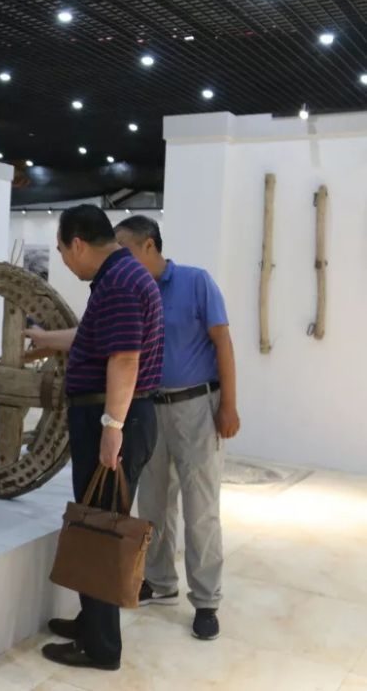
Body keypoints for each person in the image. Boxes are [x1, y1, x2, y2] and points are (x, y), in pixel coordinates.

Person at [27, 204, 163, 671]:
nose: (65, 261)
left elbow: (124, 359)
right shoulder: (117, 278)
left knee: (104, 530)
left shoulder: (121, 283)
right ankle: (91, 623)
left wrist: (111, 428)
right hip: (116, 417)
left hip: (115, 420)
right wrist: (47, 340)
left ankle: (102, 647)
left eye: (64, 252)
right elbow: (93, 338)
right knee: (95, 519)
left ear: (78, 244)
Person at [114, 215, 240, 641]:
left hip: (197, 406)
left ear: (149, 246)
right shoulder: (134, 292)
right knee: (153, 504)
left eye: (126, 250)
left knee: (200, 508)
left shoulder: (196, 282)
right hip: (150, 406)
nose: (121, 260)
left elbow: (223, 341)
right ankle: (159, 581)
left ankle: (206, 601)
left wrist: (229, 405)